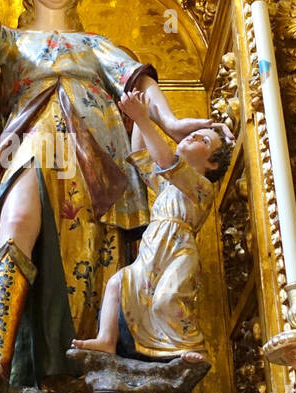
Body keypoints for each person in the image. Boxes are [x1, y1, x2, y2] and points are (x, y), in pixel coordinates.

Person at [0, 0, 211, 392]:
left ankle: (79, 363)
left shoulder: (96, 46)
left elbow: (136, 80)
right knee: (16, 221)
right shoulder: (16, 42)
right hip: (33, 140)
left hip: (98, 161)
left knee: (89, 257)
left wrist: (169, 122)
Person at [72, 89, 233, 362]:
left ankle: (190, 348)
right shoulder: (167, 183)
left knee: (167, 299)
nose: (191, 136)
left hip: (178, 253)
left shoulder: (202, 187)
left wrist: (143, 118)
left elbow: (164, 160)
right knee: (117, 283)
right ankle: (106, 339)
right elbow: (142, 154)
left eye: (203, 140)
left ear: (211, 163)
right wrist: (139, 117)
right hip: (151, 250)